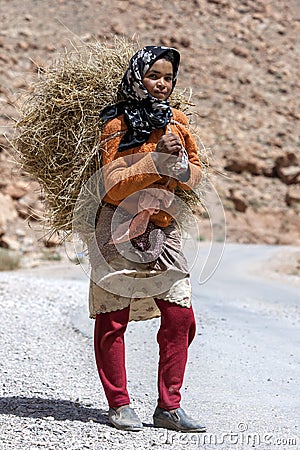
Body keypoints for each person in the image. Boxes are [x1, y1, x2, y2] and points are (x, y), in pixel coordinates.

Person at [88, 45, 206, 432]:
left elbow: (196, 176)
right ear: (138, 76)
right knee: (113, 318)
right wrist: (155, 157)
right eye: (154, 75)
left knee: (180, 315)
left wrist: (182, 165)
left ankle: (168, 407)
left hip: (162, 224)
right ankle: (119, 403)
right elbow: (112, 186)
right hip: (116, 226)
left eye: (168, 77)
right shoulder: (116, 124)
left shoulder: (177, 121)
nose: (161, 84)